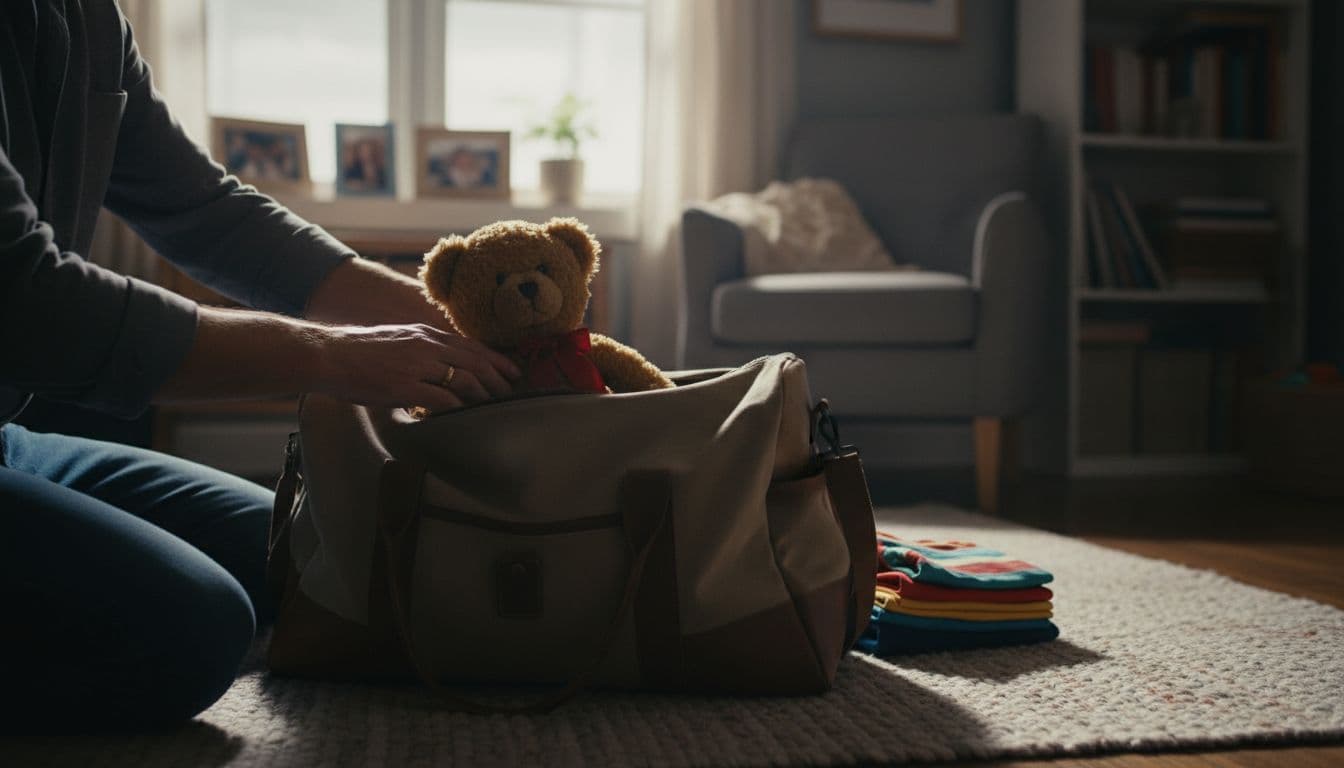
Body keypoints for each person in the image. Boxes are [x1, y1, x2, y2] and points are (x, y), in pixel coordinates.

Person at [0, 0, 521, 729]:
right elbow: (30, 303)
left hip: (12, 443)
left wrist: (463, 328)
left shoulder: (90, 17)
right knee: (193, 632)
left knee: (308, 557)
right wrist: (331, 357)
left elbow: (209, 213)